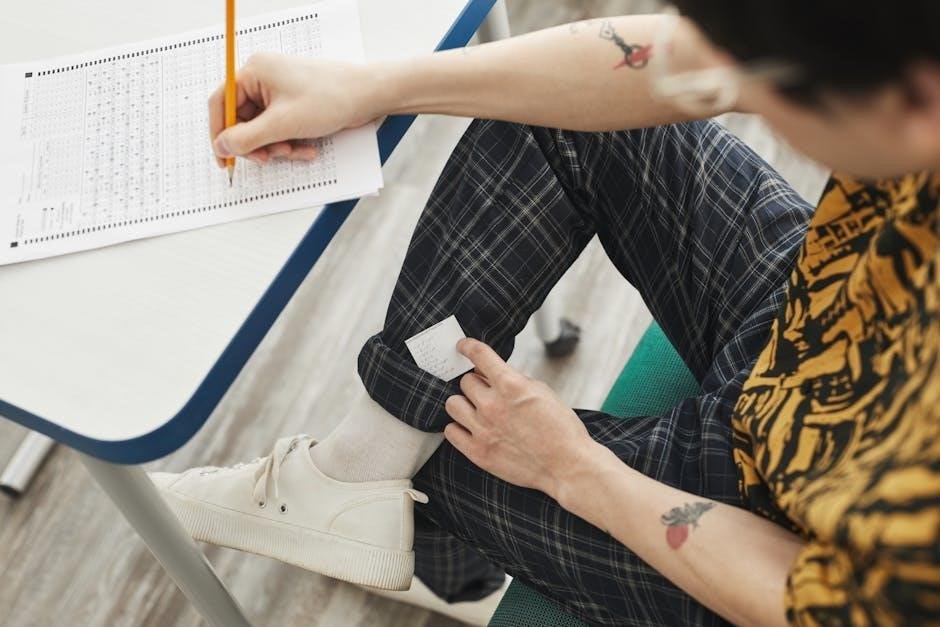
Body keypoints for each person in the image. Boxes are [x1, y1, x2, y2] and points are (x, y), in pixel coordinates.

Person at [151, 2, 940, 625]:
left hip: (791, 532)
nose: (728, 87)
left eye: (762, 89)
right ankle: (354, 477)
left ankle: (399, 520)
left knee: (438, 444)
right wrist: (372, 86)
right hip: (825, 303)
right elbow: (672, 58)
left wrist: (574, 468)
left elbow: (814, 601)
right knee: (563, 116)